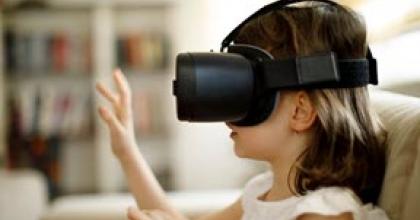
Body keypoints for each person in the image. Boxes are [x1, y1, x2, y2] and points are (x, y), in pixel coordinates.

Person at [95, 1, 389, 220]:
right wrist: (126, 150)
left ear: (300, 111)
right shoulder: (263, 190)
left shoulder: (326, 211)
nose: (228, 113)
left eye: (246, 90)